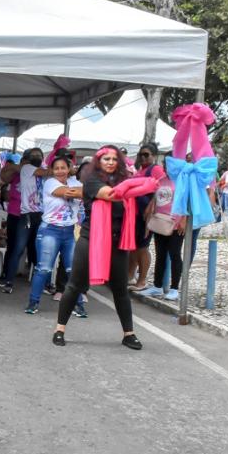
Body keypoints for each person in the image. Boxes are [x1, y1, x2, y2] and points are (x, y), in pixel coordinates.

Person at [55, 145, 150, 349]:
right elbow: (112, 195)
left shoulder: (125, 181)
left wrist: (140, 184)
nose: (110, 162)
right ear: (99, 161)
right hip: (92, 239)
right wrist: (142, 184)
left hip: (118, 241)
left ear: (119, 162)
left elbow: (127, 193)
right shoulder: (91, 181)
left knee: (120, 289)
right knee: (74, 285)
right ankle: (59, 329)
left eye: (114, 159)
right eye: (106, 159)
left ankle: (129, 334)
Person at [24, 156, 83, 314]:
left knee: (73, 270)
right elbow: (68, 193)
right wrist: (81, 192)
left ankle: (78, 306)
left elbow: (84, 192)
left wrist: (82, 191)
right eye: (56, 168)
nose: (60, 171)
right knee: (43, 269)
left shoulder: (76, 183)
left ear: (69, 168)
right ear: (52, 170)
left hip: (69, 232)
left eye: (63, 167)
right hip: (50, 230)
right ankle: (33, 303)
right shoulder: (50, 182)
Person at [0, 148, 46, 293]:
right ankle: (8, 281)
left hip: (40, 215)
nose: (37, 157)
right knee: (17, 248)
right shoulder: (26, 169)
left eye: (39, 155)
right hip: (24, 216)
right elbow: (5, 177)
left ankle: (42, 283)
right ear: (26, 159)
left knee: (37, 250)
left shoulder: (40, 171)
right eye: (34, 156)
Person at [138, 174, 186, 301]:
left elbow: (188, 199)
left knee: (175, 254)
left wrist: (184, 219)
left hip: (176, 222)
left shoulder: (183, 179)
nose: (167, 167)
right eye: (165, 163)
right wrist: (150, 210)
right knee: (160, 254)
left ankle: (174, 288)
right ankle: (157, 286)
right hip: (160, 220)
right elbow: (155, 198)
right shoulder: (161, 180)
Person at [127, 144, 162, 291]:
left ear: (154, 156)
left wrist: (151, 207)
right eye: (141, 154)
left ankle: (142, 280)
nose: (143, 157)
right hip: (135, 214)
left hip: (146, 214)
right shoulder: (140, 171)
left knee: (142, 247)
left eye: (146, 154)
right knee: (135, 246)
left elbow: (162, 189)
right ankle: (130, 276)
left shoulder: (155, 170)